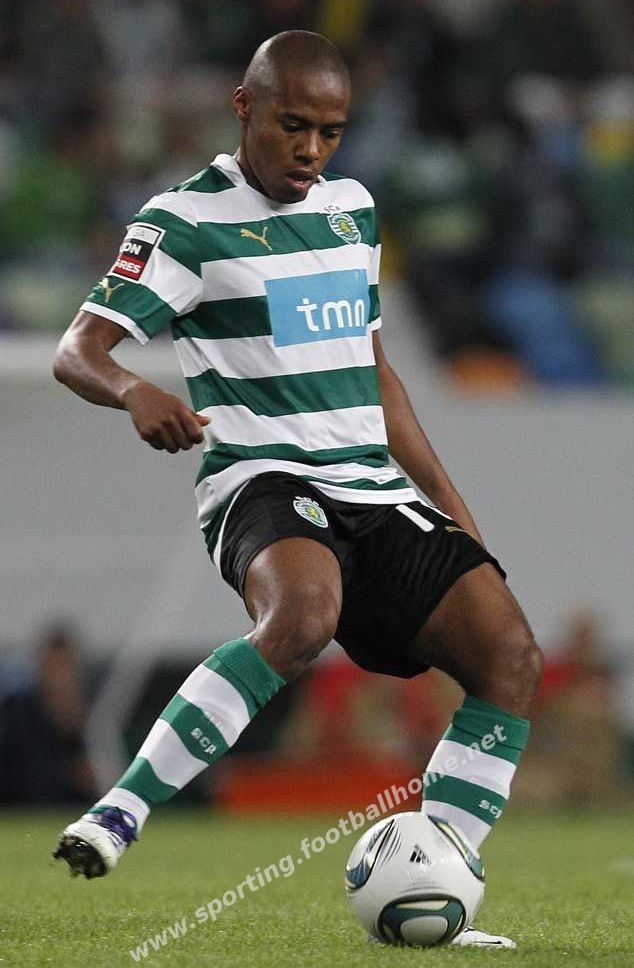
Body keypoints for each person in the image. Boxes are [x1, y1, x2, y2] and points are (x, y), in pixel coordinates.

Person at [51, 31, 542, 948]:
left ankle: (439, 878)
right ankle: (120, 810)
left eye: (331, 131)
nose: (312, 149)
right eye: (292, 126)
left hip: (371, 485)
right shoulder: (183, 221)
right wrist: (133, 391)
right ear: (244, 107)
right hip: (263, 478)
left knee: (509, 656)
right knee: (303, 614)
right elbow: (78, 349)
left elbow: (377, 374)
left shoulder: (353, 210)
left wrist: (454, 513)